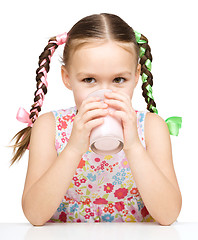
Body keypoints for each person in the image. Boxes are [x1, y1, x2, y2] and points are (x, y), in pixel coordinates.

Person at [10, 13, 182, 226]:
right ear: (67, 78)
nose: (105, 92)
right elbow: (35, 216)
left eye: (119, 79)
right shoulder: (49, 127)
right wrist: (73, 148)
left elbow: (169, 215)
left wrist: (134, 146)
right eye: (89, 80)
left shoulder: (151, 127)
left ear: (136, 75)